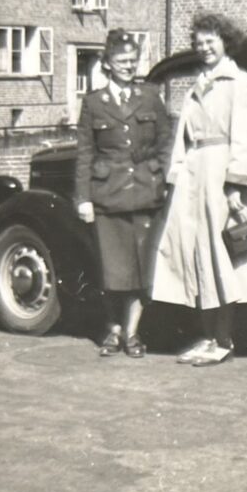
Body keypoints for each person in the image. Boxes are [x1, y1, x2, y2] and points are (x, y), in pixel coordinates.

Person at [151, 12, 247, 366]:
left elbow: (246, 138)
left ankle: (223, 339)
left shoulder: (241, 82)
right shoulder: (198, 84)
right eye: (199, 42)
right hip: (193, 179)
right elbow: (183, 137)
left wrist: (236, 186)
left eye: (211, 40)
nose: (204, 47)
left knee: (221, 257)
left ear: (226, 42)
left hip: (221, 178)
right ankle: (206, 335)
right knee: (194, 256)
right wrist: (175, 175)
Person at [74, 29, 173, 358]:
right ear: (107, 64)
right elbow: (86, 153)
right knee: (111, 270)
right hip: (108, 196)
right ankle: (112, 331)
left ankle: (132, 334)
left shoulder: (149, 97)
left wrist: (159, 173)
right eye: (121, 61)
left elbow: (166, 141)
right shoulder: (93, 103)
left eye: (132, 61)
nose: (128, 66)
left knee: (140, 269)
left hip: (145, 193)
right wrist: (83, 198)